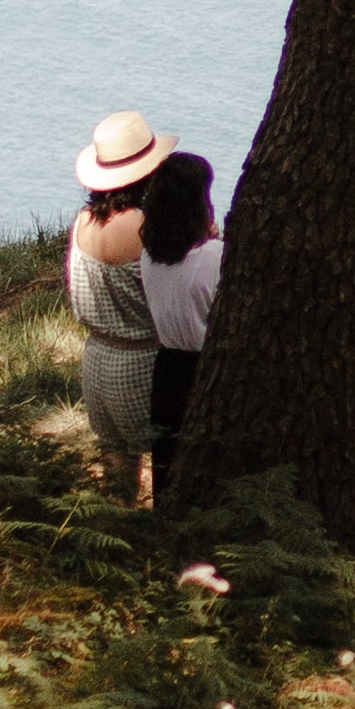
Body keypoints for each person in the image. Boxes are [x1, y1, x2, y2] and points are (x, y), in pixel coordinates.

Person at [65, 108, 171, 499]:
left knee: (117, 466)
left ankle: (115, 534)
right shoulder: (146, 229)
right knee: (165, 461)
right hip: (143, 365)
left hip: (97, 361)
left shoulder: (83, 223)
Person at [136, 152, 222, 483]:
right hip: (205, 371)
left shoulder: (148, 255)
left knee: (167, 469)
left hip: (166, 371)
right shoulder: (215, 256)